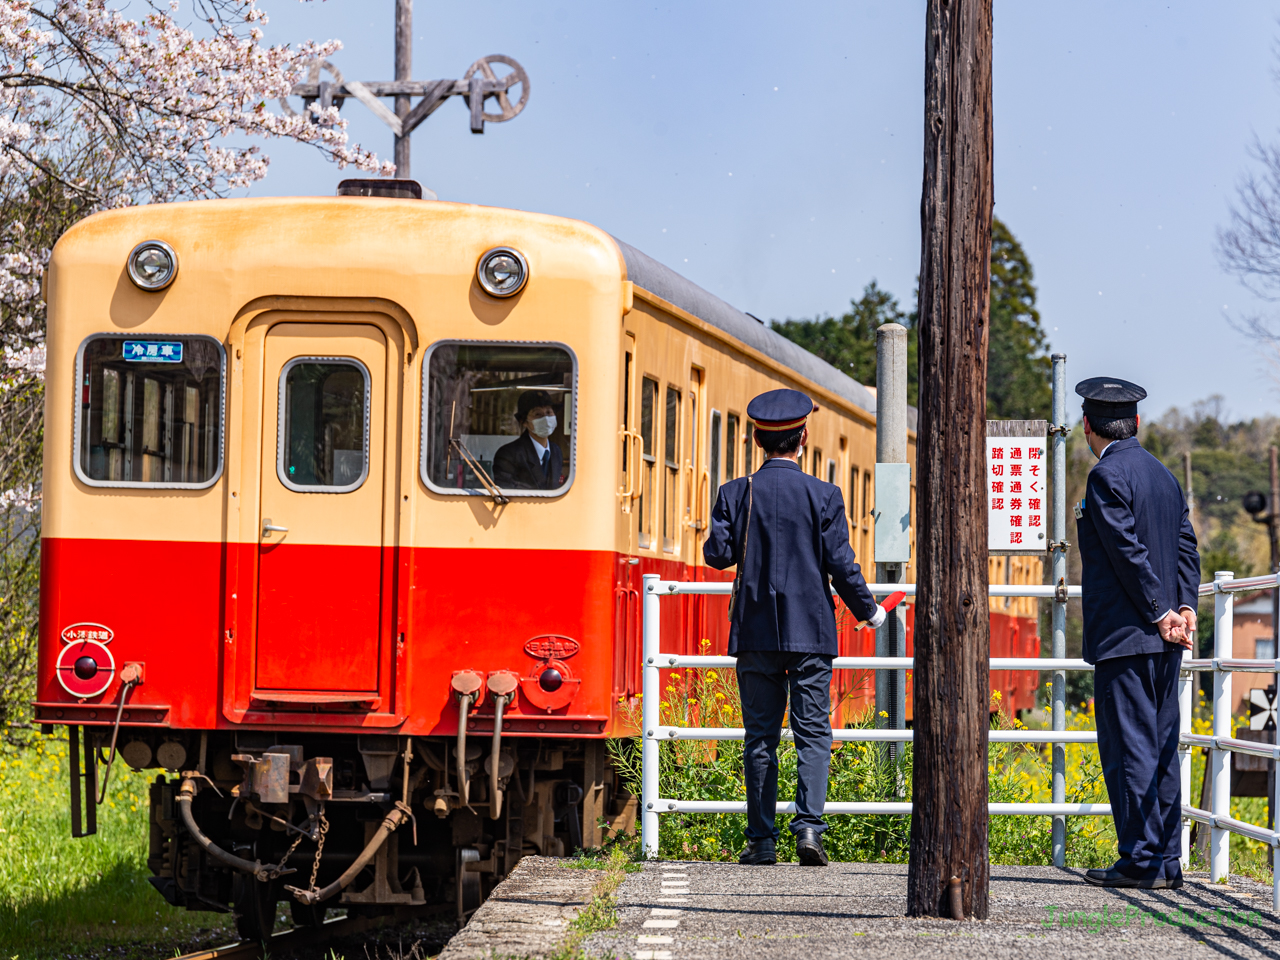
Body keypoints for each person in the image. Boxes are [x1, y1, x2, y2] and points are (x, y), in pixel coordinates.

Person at [704, 388, 888, 867]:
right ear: (803, 437)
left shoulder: (733, 493)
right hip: (811, 635)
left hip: (756, 635)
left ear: (757, 438)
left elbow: (718, 556)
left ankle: (761, 842)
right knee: (812, 733)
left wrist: (731, 523)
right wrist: (869, 611)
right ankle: (808, 829)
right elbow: (842, 565)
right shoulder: (825, 495)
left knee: (760, 738)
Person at [1074, 376, 1199, 889]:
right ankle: (1166, 859)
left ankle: (1142, 859)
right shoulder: (1164, 476)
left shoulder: (1106, 478)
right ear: (1136, 423)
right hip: (1167, 639)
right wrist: (1184, 607)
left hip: (1128, 636)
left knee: (1130, 747)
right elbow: (1186, 545)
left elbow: (1127, 553)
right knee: (1162, 743)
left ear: (1088, 427)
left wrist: (1157, 612)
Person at [492, 390, 565, 490]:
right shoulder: (508, 455)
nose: (546, 418)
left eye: (549, 412)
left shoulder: (556, 451)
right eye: (538, 414)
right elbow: (507, 490)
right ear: (524, 422)